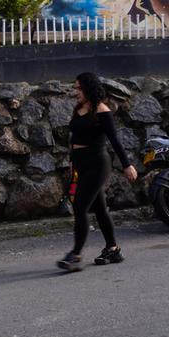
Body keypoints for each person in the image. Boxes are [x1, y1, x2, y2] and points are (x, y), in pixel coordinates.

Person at [57, 73, 138, 272]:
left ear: (88, 89)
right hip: (80, 164)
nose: (75, 92)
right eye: (75, 88)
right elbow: (74, 137)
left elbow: (115, 140)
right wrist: (71, 161)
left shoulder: (102, 111)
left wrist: (127, 165)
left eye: (78, 88)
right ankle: (113, 249)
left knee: (80, 207)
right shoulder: (79, 108)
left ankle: (75, 255)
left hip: (97, 164)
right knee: (100, 209)